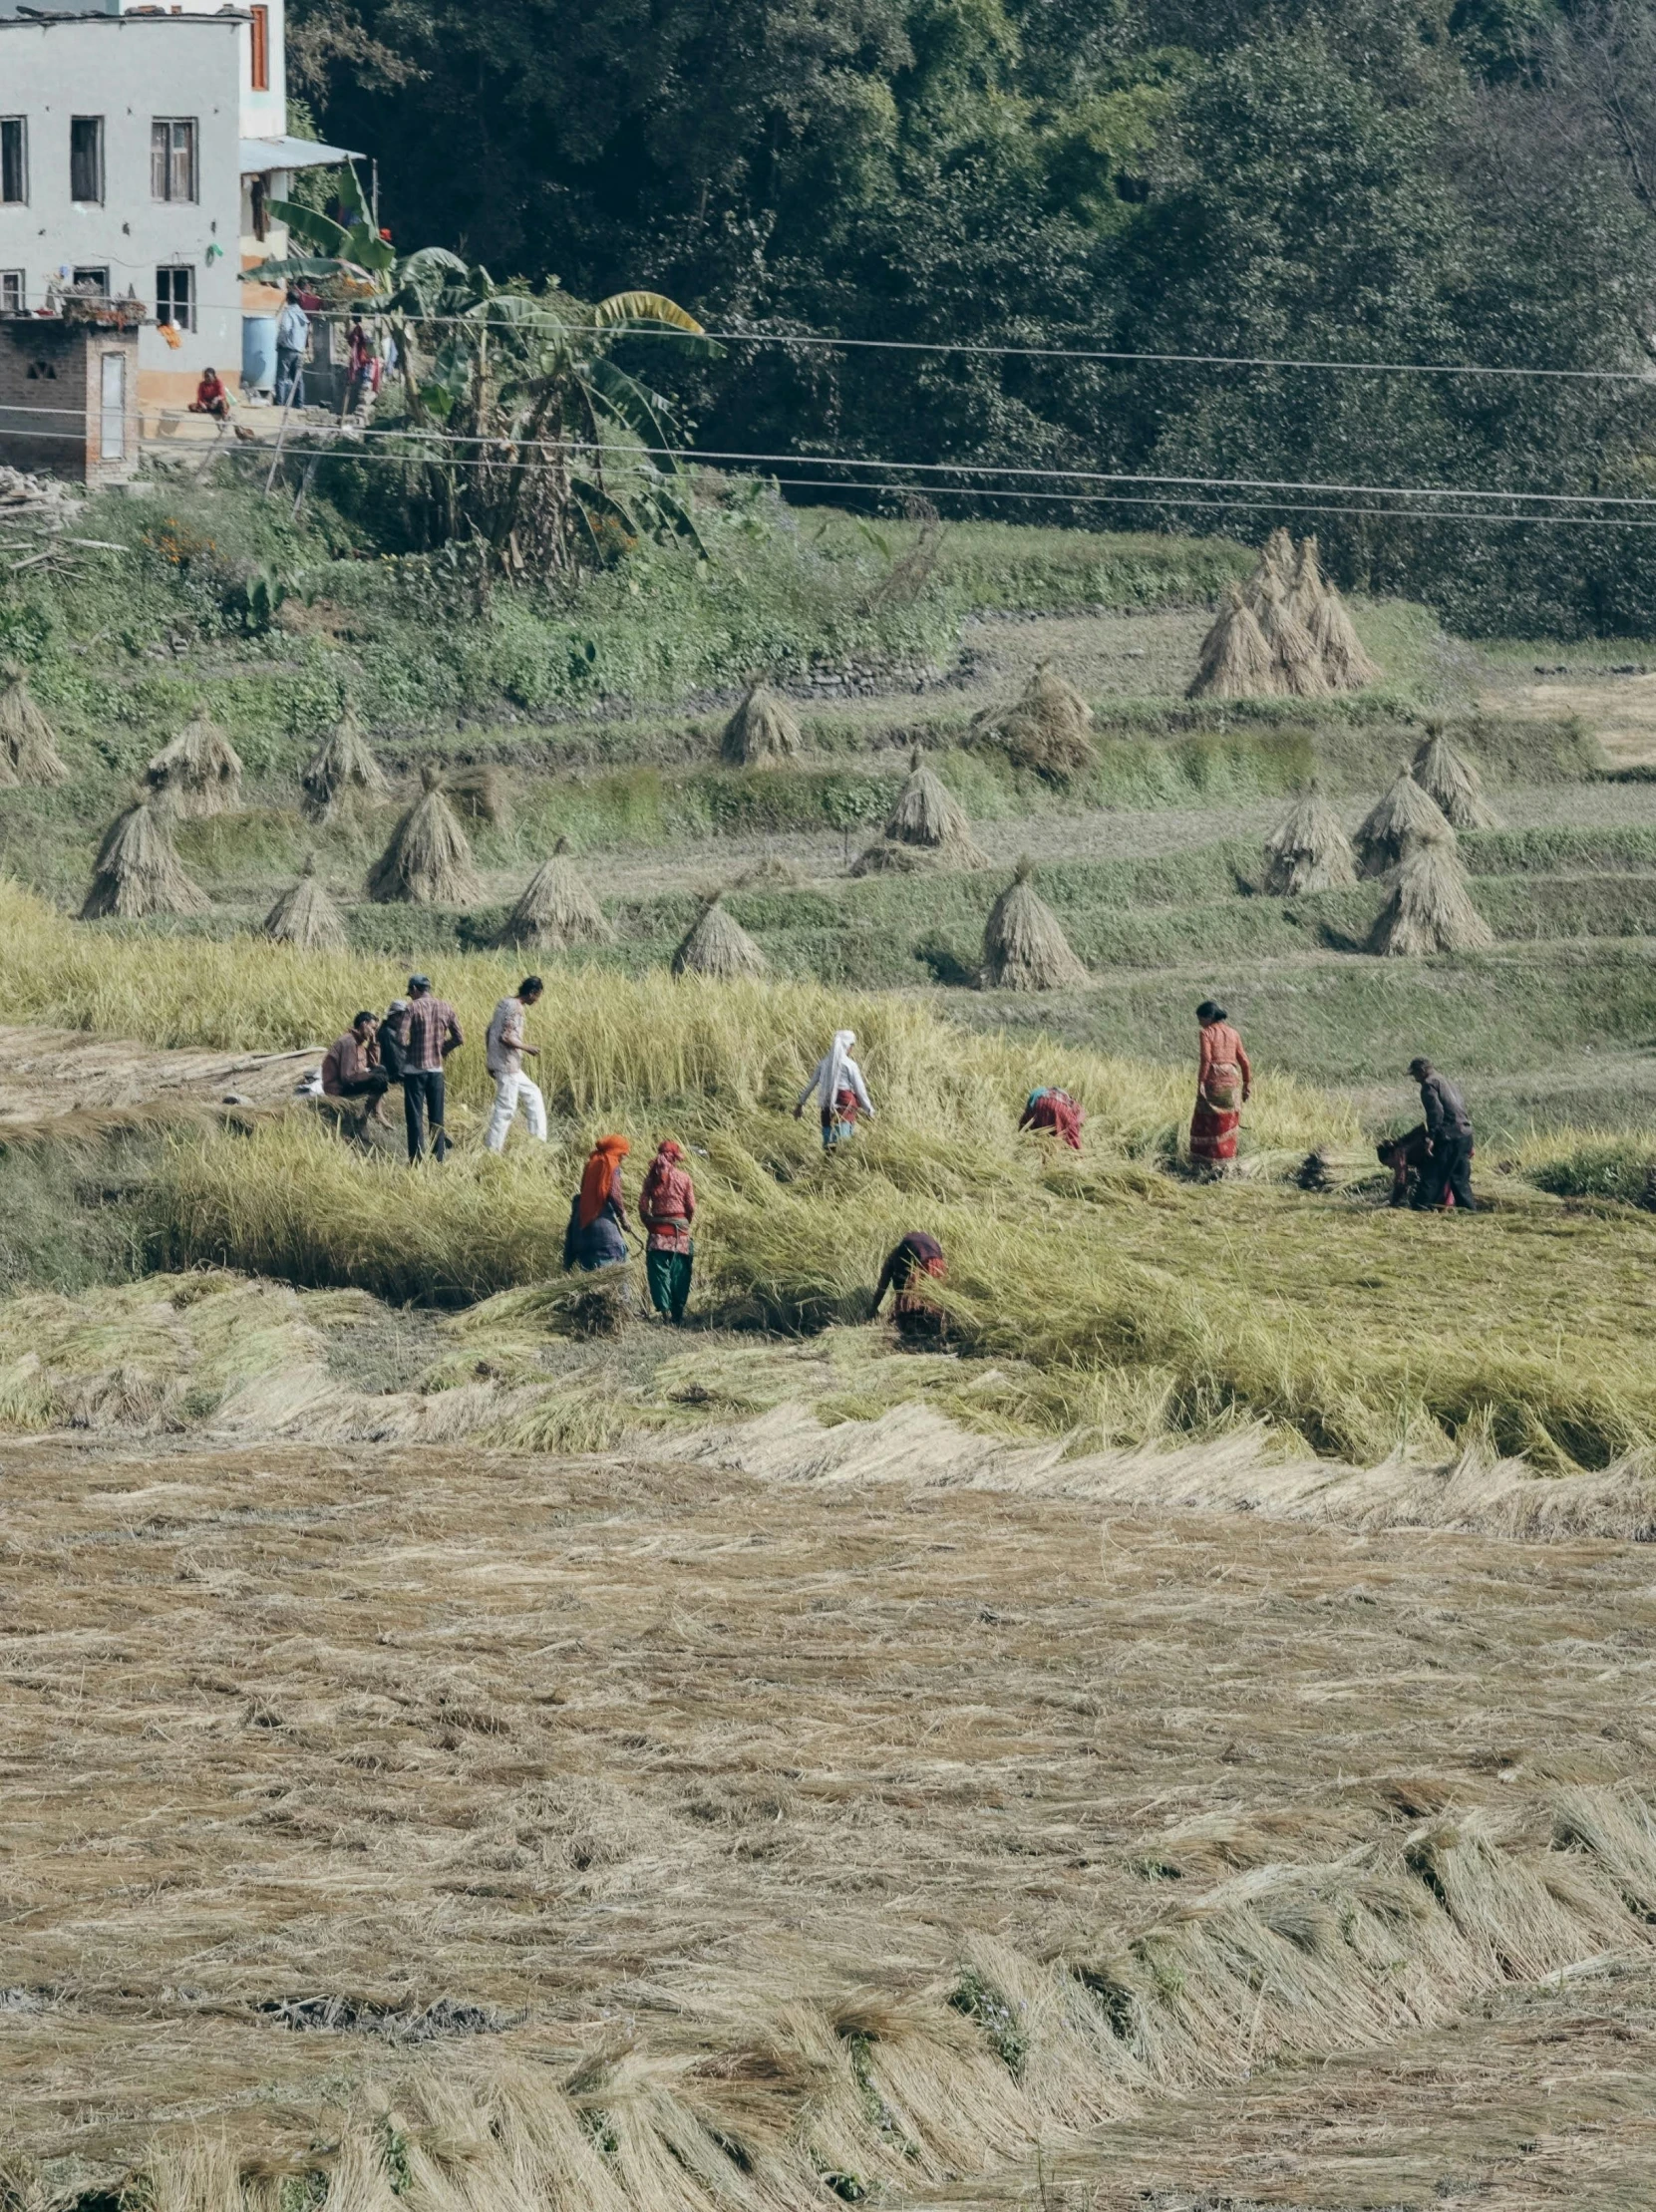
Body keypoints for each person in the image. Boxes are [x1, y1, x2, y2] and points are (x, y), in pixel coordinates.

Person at [401, 974, 463, 1164]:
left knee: (415, 1116)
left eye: (410, 992)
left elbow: (401, 1039)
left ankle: (417, 1160)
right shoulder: (446, 1007)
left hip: (414, 1070)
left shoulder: (412, 1008)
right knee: (437, 1116)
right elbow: (459, 1037)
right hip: (436, 1070)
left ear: (414, 989)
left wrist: (410, 1050)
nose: (410, 996)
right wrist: (441, 1049)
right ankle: (439, 1157)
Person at [484, 977, 547, 1153]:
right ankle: (492, 1151)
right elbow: (506, 1037)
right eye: (538, 996)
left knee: (534, 1094)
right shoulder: (517, 1009)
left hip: (504, 1063)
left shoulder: (504, 1003)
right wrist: (528, 1048)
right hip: (507, 1065)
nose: (537, 1000)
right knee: (506, 1108)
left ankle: (539, 1141)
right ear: (532, 993)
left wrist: (490, 1058)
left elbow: (489, 1031)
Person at [1190, 1000, 1252, 1171]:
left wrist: (1201, 1082)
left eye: (1200, 1018)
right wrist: (1247, 1084)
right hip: (1232, 1081)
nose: (1199, 1023)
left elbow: (1207, 1059)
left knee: (1207, 1120)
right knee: (1228, 1119)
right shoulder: (1234, 1033)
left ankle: (1205, 1162)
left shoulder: (1206, 1033)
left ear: (1209, 1017)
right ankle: (1226, 1161)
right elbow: (1244, 1061)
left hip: (1214, 1080)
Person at [639, 1139, 697, 1323]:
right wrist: (685, 1222)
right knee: (680, 1271)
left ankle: (664, 1312)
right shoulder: (684, 1178)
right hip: (680, 1232)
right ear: (675, 1158)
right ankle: (677, 1313)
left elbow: (642, 1205)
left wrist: (649, 1222)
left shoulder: (651, 1179)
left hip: (657, 1234)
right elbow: (691, 1206)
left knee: (659, 1274)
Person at [1409, 1057, 1476, 1212]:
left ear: (1422, 1071)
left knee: (1433, 1175)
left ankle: (1420, 1209)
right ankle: (1469, 1211)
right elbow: (1460, 1110)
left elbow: (1436, 1113)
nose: (1415, 1079)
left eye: (1415, 1075)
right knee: (1459, 1179)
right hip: (1464, 1134)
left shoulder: (1429, 1085)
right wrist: (1470, 1142)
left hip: (1449, 1136)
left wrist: (1431, 1137)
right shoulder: (1447, 1081)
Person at [795, 1030, 874, 1149]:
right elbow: (860, 1089)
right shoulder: (849, 1064)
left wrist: (800, 1104)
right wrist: (869, 1110)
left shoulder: (823, 1063)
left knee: (828, 1143)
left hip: (826, 1105)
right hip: (844, 1106)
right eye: (851, 1046)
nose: (851, 1049)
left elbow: (810, 1085)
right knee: (843, 1144)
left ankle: (828, 1163)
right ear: (846, 1045)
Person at [564, 1134, 632, 1270]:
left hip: (581, 1232)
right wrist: (623, 1217)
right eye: (623, 1154)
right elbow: (614, 1193)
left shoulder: (591, 1164)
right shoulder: (611, 1165)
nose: (624, 1158)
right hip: (604, 1236)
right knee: (618, 1281)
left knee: (592, 1283)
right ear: (616, 1152)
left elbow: (584, 1190)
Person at [873, 1230, 948, 1342]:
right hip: (936, 1262)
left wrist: (874, 1307)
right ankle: (938, 1328)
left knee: (907, 1302)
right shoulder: (904, 1252)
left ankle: (911, 1334)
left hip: (921, 1262)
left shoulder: (894, 1258)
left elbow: (882, 1285)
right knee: (933, 1300)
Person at [320, 1011, 390, 1122]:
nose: (373, 1032)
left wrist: (373, 1043)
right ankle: (364, 1119)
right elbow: (347, 1077)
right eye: (372, 1028)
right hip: (337, 1088)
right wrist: (370, 1075)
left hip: (346, 1083)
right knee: (379, 1079)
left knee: (381, 1070)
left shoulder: (359, 1043)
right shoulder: (349, 1042)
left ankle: (375, 1112)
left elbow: (374, 1064)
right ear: (363, 1024)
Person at [1019, 1086, 1084, 1151]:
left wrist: (1020, 1139)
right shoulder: (1073, 1110)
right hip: (1059, 1107)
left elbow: (1024, 1124)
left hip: (1039, 1103)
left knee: (1036, 1137)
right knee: (1072, 1144)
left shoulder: (1041, 1092)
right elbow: (1073, 1135)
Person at [275, 288, 309, 410]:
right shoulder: (302, 314)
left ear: (288, 299)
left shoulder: (288, 312)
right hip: (299, 350)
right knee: (298, 379)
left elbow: (284, 328)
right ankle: (299, 404)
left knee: (281, 377)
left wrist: (279, 342)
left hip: (287, 349)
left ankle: (280, 403)